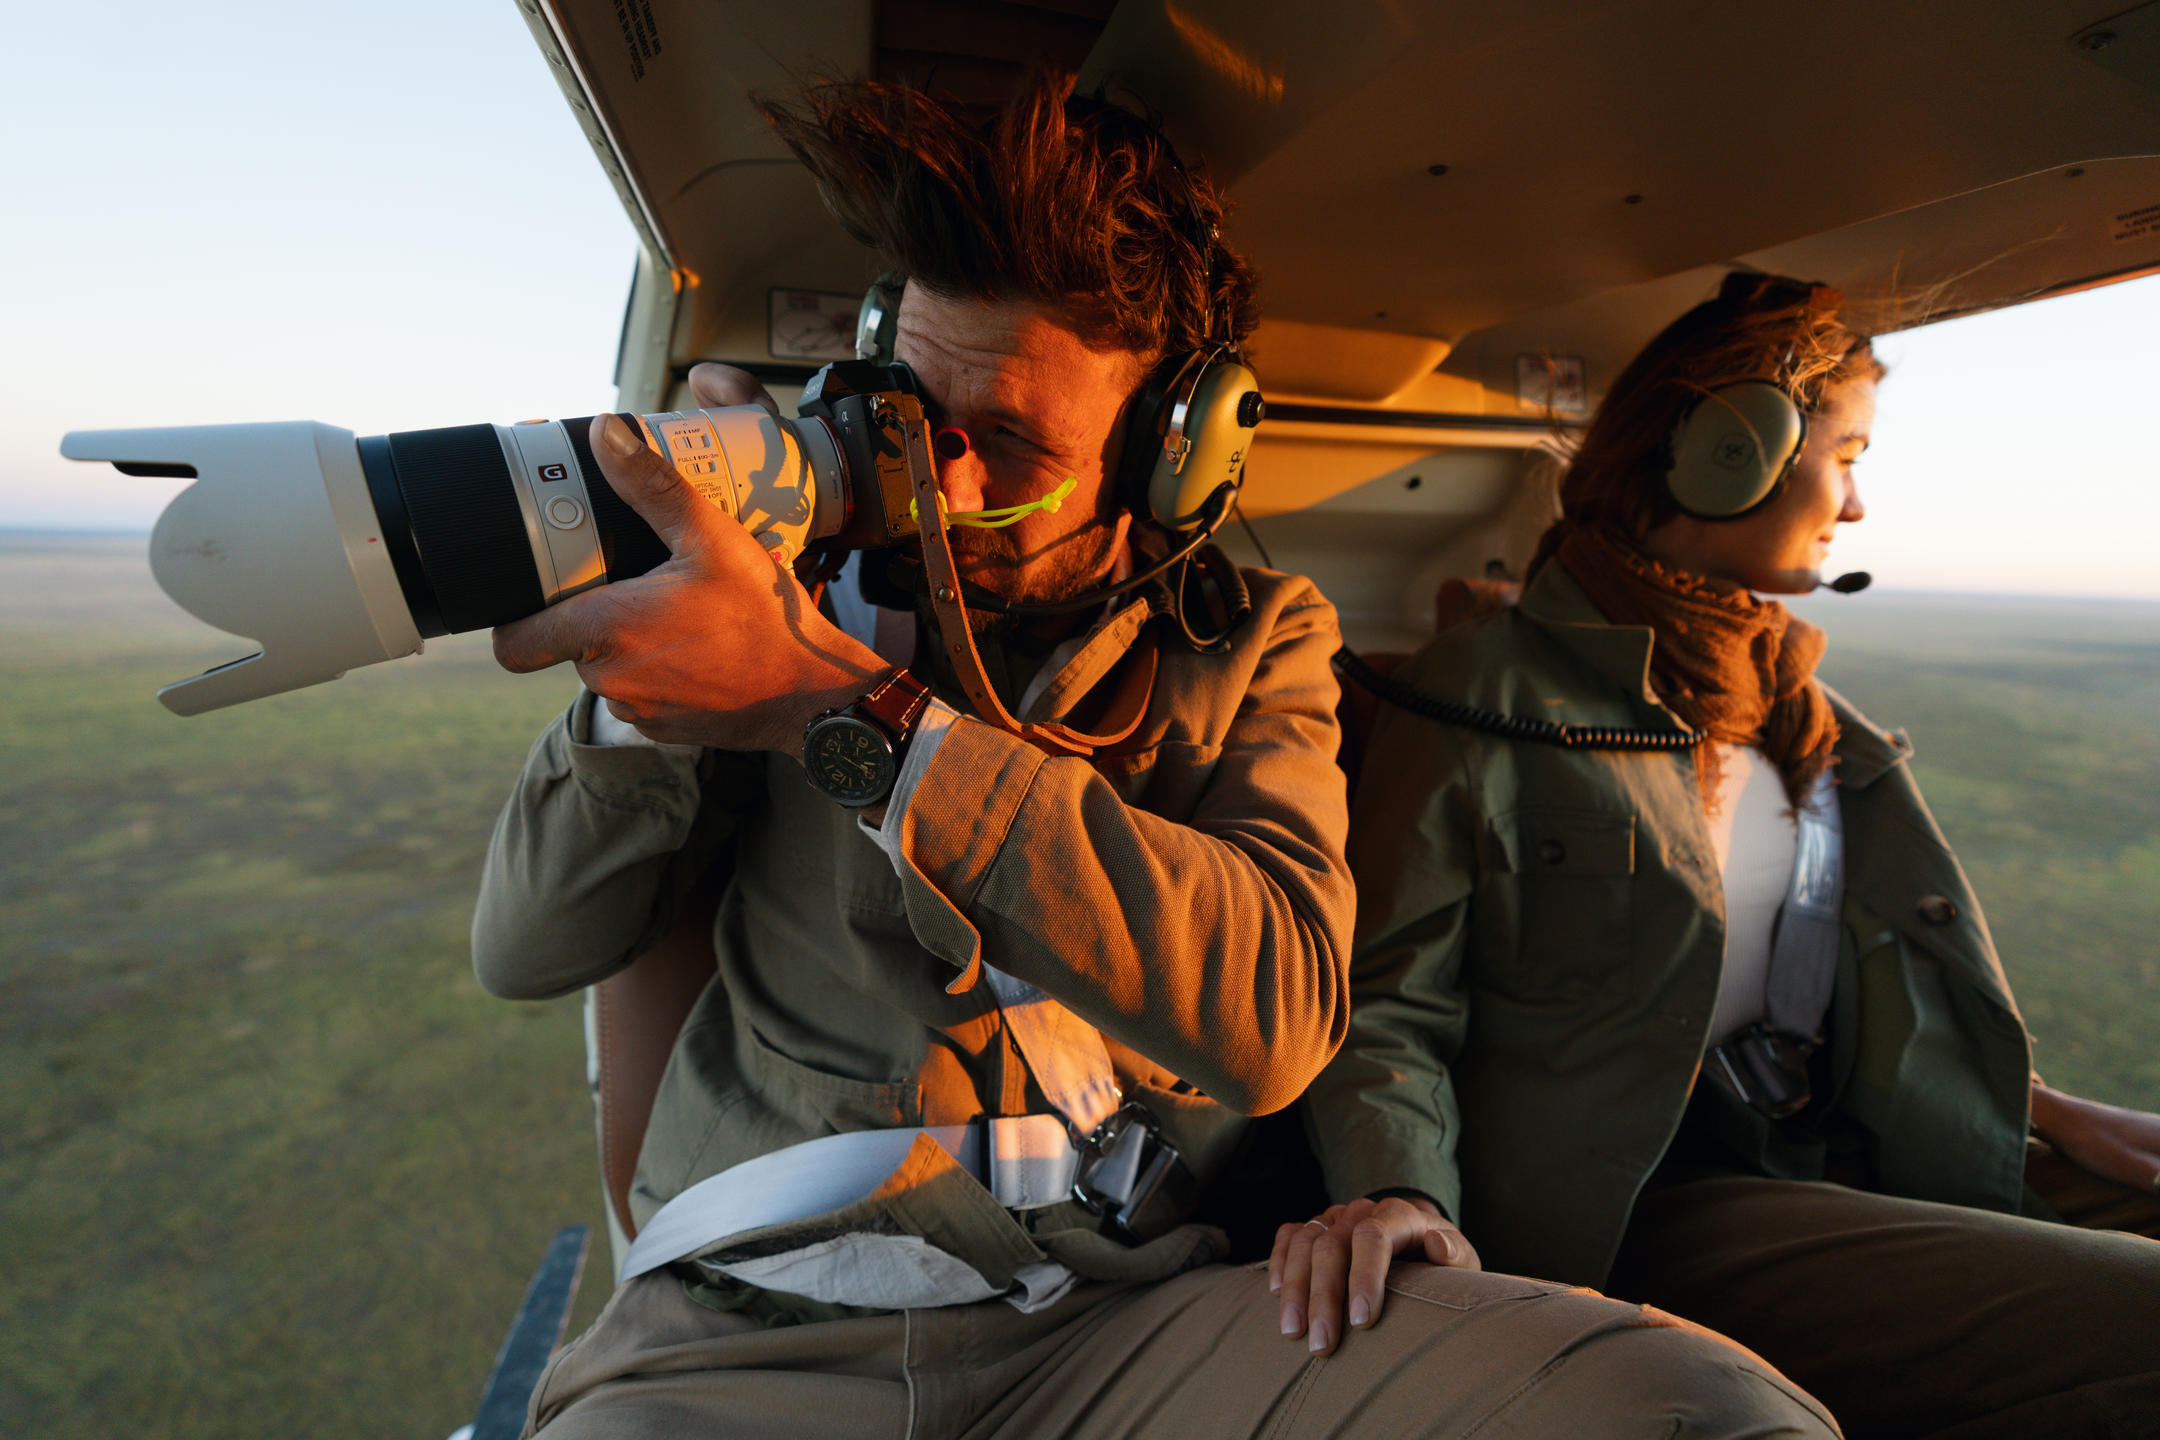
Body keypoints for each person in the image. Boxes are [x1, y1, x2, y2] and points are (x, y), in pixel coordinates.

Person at [471, 78, 1837, 1440]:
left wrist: (850, 719)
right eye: (911, 410)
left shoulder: (1253, 647)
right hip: (736, 1338)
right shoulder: (786, 596)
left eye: (1007, 443)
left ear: (1173, 459)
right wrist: (644, 678)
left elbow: (1279, 1018)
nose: (941, 483)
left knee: (1702, 1412)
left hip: (1112, 1329)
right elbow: (526, 948)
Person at [1279, 272, 2160, 1438]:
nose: (1853, 506)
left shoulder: (1793, 710)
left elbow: (1817, 975)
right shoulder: (1487, 695)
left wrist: (2037, 1107)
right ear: (1730, 454)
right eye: (1846, 456)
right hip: (1647, 1193)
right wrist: (1396, 1192)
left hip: (1822, 1139)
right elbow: (1385, 998)